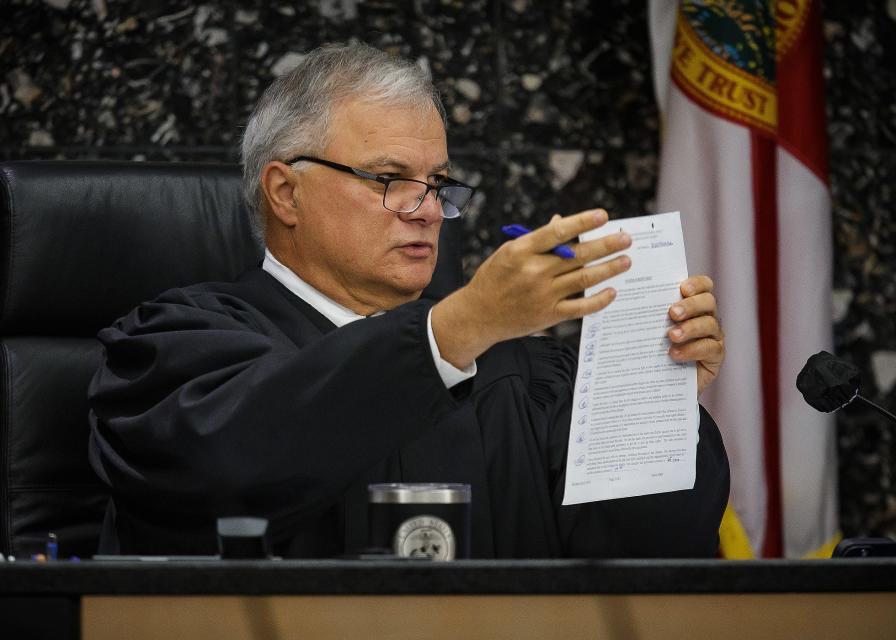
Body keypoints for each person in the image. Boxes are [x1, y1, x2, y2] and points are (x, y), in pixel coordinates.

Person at [88, 42, 728, 558]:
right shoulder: (177, 349)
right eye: (390, 180)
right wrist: (451, 331)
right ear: (285, 192)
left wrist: (654, 400)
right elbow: (225, 469)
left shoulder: (519, 374)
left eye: (440, 185)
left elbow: (642, 560)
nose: (427, 211)